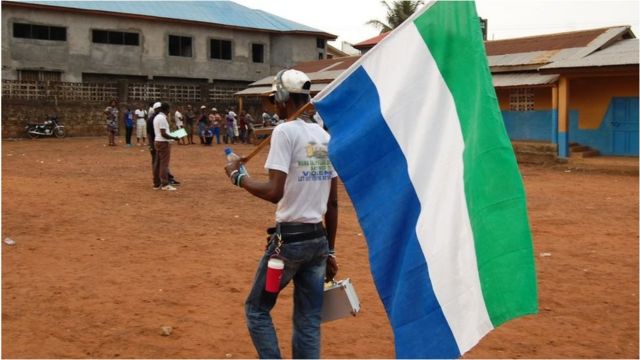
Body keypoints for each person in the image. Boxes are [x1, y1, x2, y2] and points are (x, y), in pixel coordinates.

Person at [224, 69, 338, 359]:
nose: (274, 106)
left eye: (275, 100)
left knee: (257, 309)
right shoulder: (324, 137)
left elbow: (275, 191)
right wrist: (331, 252)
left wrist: (239, 178)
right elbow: (333, 203)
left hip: (288, 245)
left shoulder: (285, 131)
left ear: (285, 98)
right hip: (318, 243)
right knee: (309, 320)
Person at [147, 102, 180, 189]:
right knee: (164, 164)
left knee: (157, 163)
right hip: (163, 142)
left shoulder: (157, 117)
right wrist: (174, 137)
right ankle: (165, 184)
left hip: (158, 141)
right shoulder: (162, 118)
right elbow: (163, 133)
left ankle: (156, 183)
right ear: (167, 109)